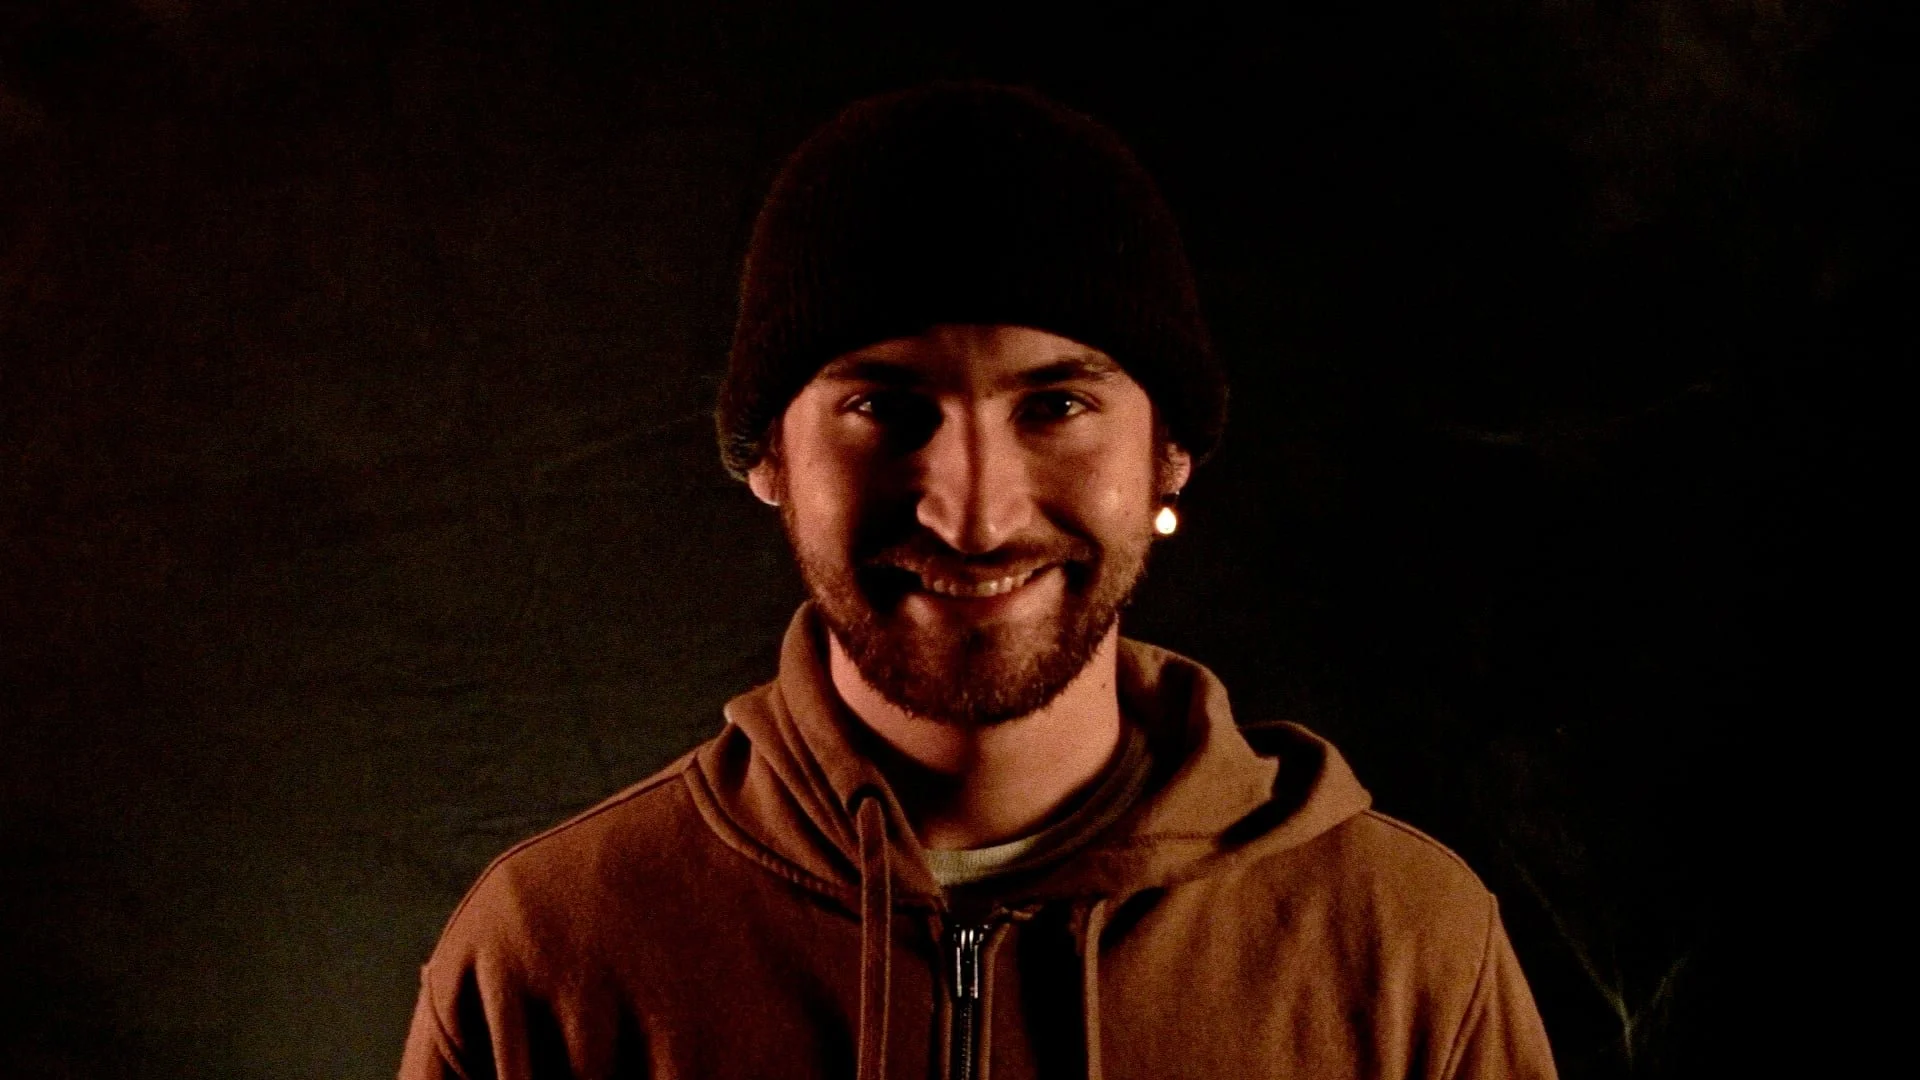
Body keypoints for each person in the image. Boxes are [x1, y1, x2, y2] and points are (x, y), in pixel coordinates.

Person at [398, 83, 1557, 1080]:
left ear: (1170, 454)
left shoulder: (1404, 949)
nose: (975, 514)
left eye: (1055, 405)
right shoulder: (554, 954)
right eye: (883, 408)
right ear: (769, 462)